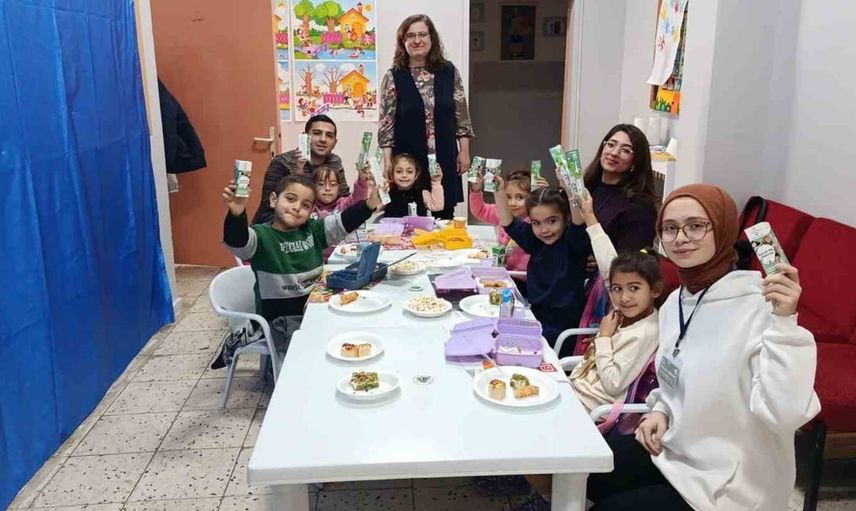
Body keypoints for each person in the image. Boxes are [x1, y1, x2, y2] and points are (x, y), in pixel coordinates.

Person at [586, 184, 820, 510]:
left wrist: (783, 322)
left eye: (696, 225)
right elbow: (675, 376)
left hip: (730, 481)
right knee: (585, 470)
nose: (681, 238)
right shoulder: (674, 304)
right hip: (675, 448)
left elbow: (785, 414)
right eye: (670, 228)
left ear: (722, 229)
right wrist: (660, 409)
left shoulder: (762, 305)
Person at [513, 192, 663, 511]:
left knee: (525, 437)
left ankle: (554, 498)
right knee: (519, 412)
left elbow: (612, 383)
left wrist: (604, 339)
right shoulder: (623, 313)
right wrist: (592, 219)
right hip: (577, 390)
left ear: (655, 290)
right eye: (617, 289)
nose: (623, 297)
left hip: (593, 408)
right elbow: (610, 267)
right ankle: (548, 491)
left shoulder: (645, 330)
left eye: (634, 289)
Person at [222, 174, 382, 321]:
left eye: (305, 205)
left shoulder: (314, 229)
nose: (297, 207)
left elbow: (343, 222)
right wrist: (237, 213)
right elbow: (238, 241)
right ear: (273, 200)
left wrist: (369, 205)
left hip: (316, 310)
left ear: (311, 211)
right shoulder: (261, 236)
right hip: (279, 322)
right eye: (290, 199)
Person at [378, 14, 475, 219]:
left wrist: (464, 151)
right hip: (408, 158)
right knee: (408, 215)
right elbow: (386, 123)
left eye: (422, 34)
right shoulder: (393, 76)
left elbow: (461, 115)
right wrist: (388, 162)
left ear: (432, 38)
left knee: (444, 211)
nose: (417, 40)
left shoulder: (449, 71)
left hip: (444, 152)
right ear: (403, 41)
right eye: (410, 36)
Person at [495, 180, 589, 350]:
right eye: (536, 223)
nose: (544, 230)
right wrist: (498, 191)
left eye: (552, 221)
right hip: (535, 313)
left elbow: (579, 222)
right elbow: (509, 223)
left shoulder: (573, 243)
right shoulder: (535, 241)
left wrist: (569, 186)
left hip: (564, 322)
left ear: (566, 217)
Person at [253, 114, 347, 225]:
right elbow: (268, 208)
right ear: (305, 137)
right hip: (277, 225)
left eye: (329, 135)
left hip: (322, 226)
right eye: (317, 133)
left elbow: (344, 197)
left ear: (335, 142)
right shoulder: (282, 163)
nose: (323, 139)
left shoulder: (334, 162)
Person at [583, 124, 659, 252]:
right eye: (611, 145)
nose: (614, 153)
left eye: (625, 150)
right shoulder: (588, 186)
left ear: (635, 161)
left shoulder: (640, 206)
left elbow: (631, 258)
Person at [470, 168, 548, 280]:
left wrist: (544, 197)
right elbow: (480, 210)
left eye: (520, 197)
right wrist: (476, 190)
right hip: (505, 273)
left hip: (527, 277)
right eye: (508, 197)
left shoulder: (536, 220)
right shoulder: (502, 212)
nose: (512, 203)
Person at [383, 153, 444, 217]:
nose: (404, 175)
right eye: (399, 171)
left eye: (409, 172)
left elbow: (437, 207)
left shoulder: (422, 193)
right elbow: (376, 209)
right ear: (392, 174)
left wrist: (436, 182)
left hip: (418, 224)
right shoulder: (387, 193)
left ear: (416, 175)